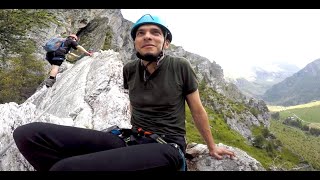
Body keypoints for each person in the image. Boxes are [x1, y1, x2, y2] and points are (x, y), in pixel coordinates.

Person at [12, 14, 235, 171]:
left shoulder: (180, 66)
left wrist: (212, 147)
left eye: (155, 33)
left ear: (166, 43)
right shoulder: (129, 69)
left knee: (65, 167)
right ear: (135, 42)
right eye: (141, 33)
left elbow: (197, 110)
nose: (148, 36)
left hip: (167, 146)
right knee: (27, 134)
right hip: (131, 138)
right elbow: (133, 103)